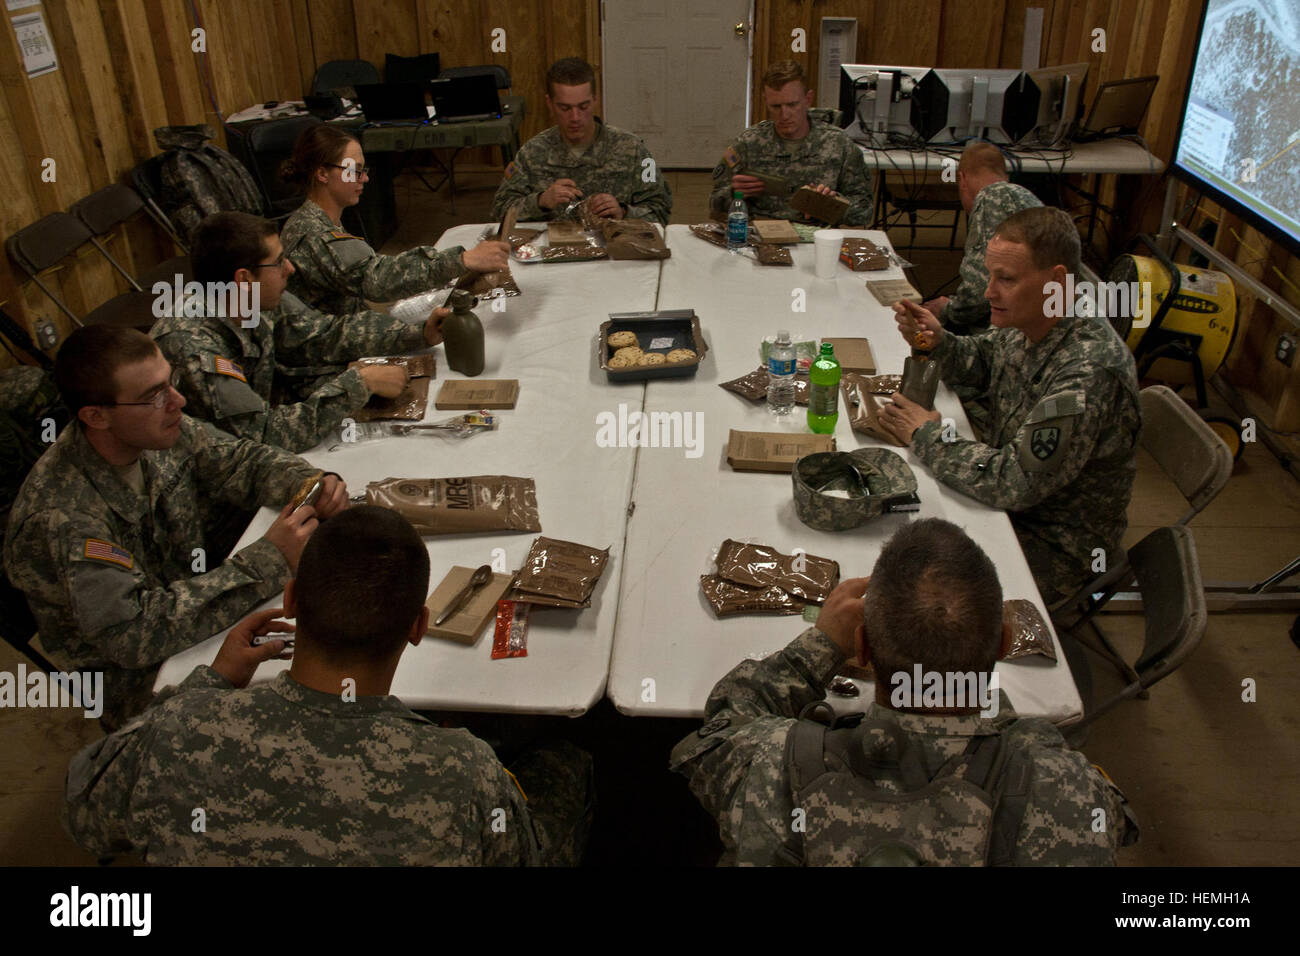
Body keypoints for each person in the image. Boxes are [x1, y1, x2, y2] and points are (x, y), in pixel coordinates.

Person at [62, 506, 594, 866]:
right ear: (416, 628)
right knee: (566, 764)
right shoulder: (463, 772)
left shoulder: (179, 729)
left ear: (290, 603)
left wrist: (212, 683)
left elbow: (84, 811)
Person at [672, 518, 1138, 866]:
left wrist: (818, 646)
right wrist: (1019, 733)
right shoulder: (1064, 790)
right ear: (1000, 646)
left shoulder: (770, 764)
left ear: (863, 649)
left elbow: (722, 726)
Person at [3, 326, 346, 729]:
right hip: (141, 681)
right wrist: (268, 559)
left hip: (198, 607)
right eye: (154, 395)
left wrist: (309, 484)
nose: (178, 402)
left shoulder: (156, 428)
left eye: (172, 383)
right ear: (96, 417)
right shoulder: (63, 516)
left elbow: (240, 461)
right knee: (318, 704)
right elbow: (132, 634)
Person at [878, 206, 1141, 605]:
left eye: (1006, 279)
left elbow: (1013, 482)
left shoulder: (1089, 370)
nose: (988, 292)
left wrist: (926, 434)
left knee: (910, 584)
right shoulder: (1037, 318)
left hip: (1050, 542)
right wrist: (938, 340)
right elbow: (985, 361)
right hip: (1010, 507)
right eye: (990, 276)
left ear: (1055, 281)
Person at [154, 211, 447, 453]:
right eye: (279, 261)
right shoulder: (194, 348)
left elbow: (325, 335)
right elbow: (265, 435)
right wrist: (359, 385)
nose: (291, 269)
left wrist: (417, 333)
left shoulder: (252, 299)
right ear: (244, 279)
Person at [279, 125, 509, 315]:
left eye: (363, 169)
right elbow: (377, 279)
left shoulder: (319, 220)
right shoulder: (314, 233)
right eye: (354, 170)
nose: (365, 178)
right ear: (322, 174)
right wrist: (463, 260)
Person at [490, 58, 672, 225]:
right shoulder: (532, 153)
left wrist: (623, 212)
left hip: (615, 254)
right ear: (550, 103)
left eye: (583, 107)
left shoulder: (632, 150)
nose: (575, 117)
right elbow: (500, 210)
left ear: (595, 100)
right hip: (551, 253)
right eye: (565, 108)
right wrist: (540, 202)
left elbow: (660, 210)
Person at [709, 60, 873, 225]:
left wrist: (833, 204)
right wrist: (734, 193)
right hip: (761, 236)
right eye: (776, 106)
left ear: (808, 99)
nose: (784, 115)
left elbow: (864, 211)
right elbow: (714, 204)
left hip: (816, 239)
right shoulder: (747, 144)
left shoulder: (839, 144)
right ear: (765, 101)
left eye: (792, 105)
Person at [924, 142, 1043, 334]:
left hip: (1016, 330)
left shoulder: (990, 199)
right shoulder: (1026, 198)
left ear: (962, 179)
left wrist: (947, 309)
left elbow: (978, 292)